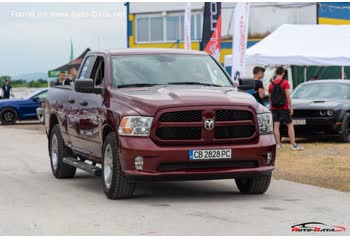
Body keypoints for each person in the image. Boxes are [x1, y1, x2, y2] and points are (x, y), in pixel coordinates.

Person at [268, 66, 303, 151]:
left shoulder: (271, 84)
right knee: (290, 125)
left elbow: (269, 98)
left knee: (276, 125)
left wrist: (271, 106)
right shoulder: (285, 83)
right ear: (283, 73)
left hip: (274, 108)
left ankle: (278, 145)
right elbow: (287, 96)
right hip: (283, 107)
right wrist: (291, 107)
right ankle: (293, 144)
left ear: (276, 73)